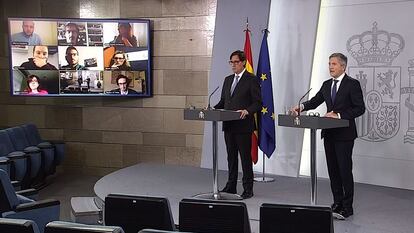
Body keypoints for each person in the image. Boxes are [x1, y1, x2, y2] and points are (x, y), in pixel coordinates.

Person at [292, 53, 365, 219]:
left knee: (344, 170)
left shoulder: (352, 84)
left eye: (334, 64)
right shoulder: (326, 85)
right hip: (329, 133)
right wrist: (300, 107)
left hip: (344, 135)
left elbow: (360, 108)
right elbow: (315, 101)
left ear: (343, 67)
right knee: (333, 170)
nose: (330, 67)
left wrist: (338, 115)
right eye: (329, 64)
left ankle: (347, 207)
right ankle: (337, 202)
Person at [214, 50, 261, 199]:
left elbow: (258, 103)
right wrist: (212, 109)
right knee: (231, 157)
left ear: (243, 62)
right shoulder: (228, 80)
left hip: (243, 126)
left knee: (245, 158)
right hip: (229, 125)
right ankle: (231, 185)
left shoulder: (251, 79)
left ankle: (248, 188)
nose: (233, 65)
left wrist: (247, 110)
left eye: (236, 62)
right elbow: (224, 102)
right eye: (231, 62)